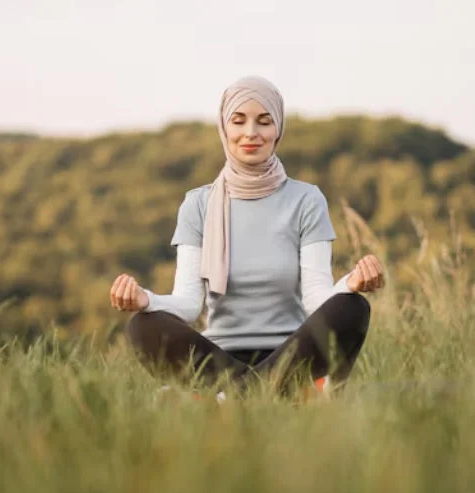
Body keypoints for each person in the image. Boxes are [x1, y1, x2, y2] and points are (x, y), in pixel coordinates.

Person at [109, 76, 384, 395]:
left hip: (294, 354)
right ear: (224, 128)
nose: (251, 132)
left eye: (264, 122)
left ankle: (232, 397)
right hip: (218, 359)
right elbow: (187, 304)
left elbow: (316, 299)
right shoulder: (197, 204)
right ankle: (275, 394)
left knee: (352, 308)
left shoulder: (306, 200)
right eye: (238, 121)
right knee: (144, 326)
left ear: (278, 130)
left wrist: (349, 285)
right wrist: (147, 300)